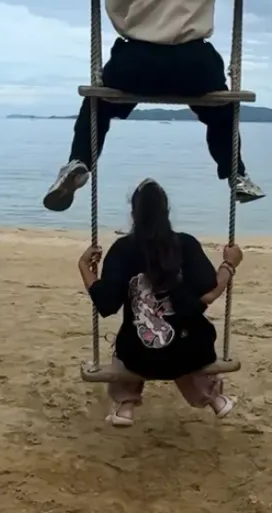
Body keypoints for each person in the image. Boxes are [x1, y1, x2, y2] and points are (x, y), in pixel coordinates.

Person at [43, 0, 272, 212]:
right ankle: (237, 173)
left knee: (97, 105)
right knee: (221, 110)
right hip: (193, 65)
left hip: (134, 63)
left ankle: (79, 160)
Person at [78, 178, 243, 428]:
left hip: (138, 357)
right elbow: (210, 291)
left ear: (133, 214)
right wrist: (229, 264)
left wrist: (84, 266)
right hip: (191, 352)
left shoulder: (122, 250)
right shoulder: (185, 244)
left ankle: (126, 405)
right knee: (186, 346)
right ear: (167, 212)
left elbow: (106, 303)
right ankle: (215, 399)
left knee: (126, 344)